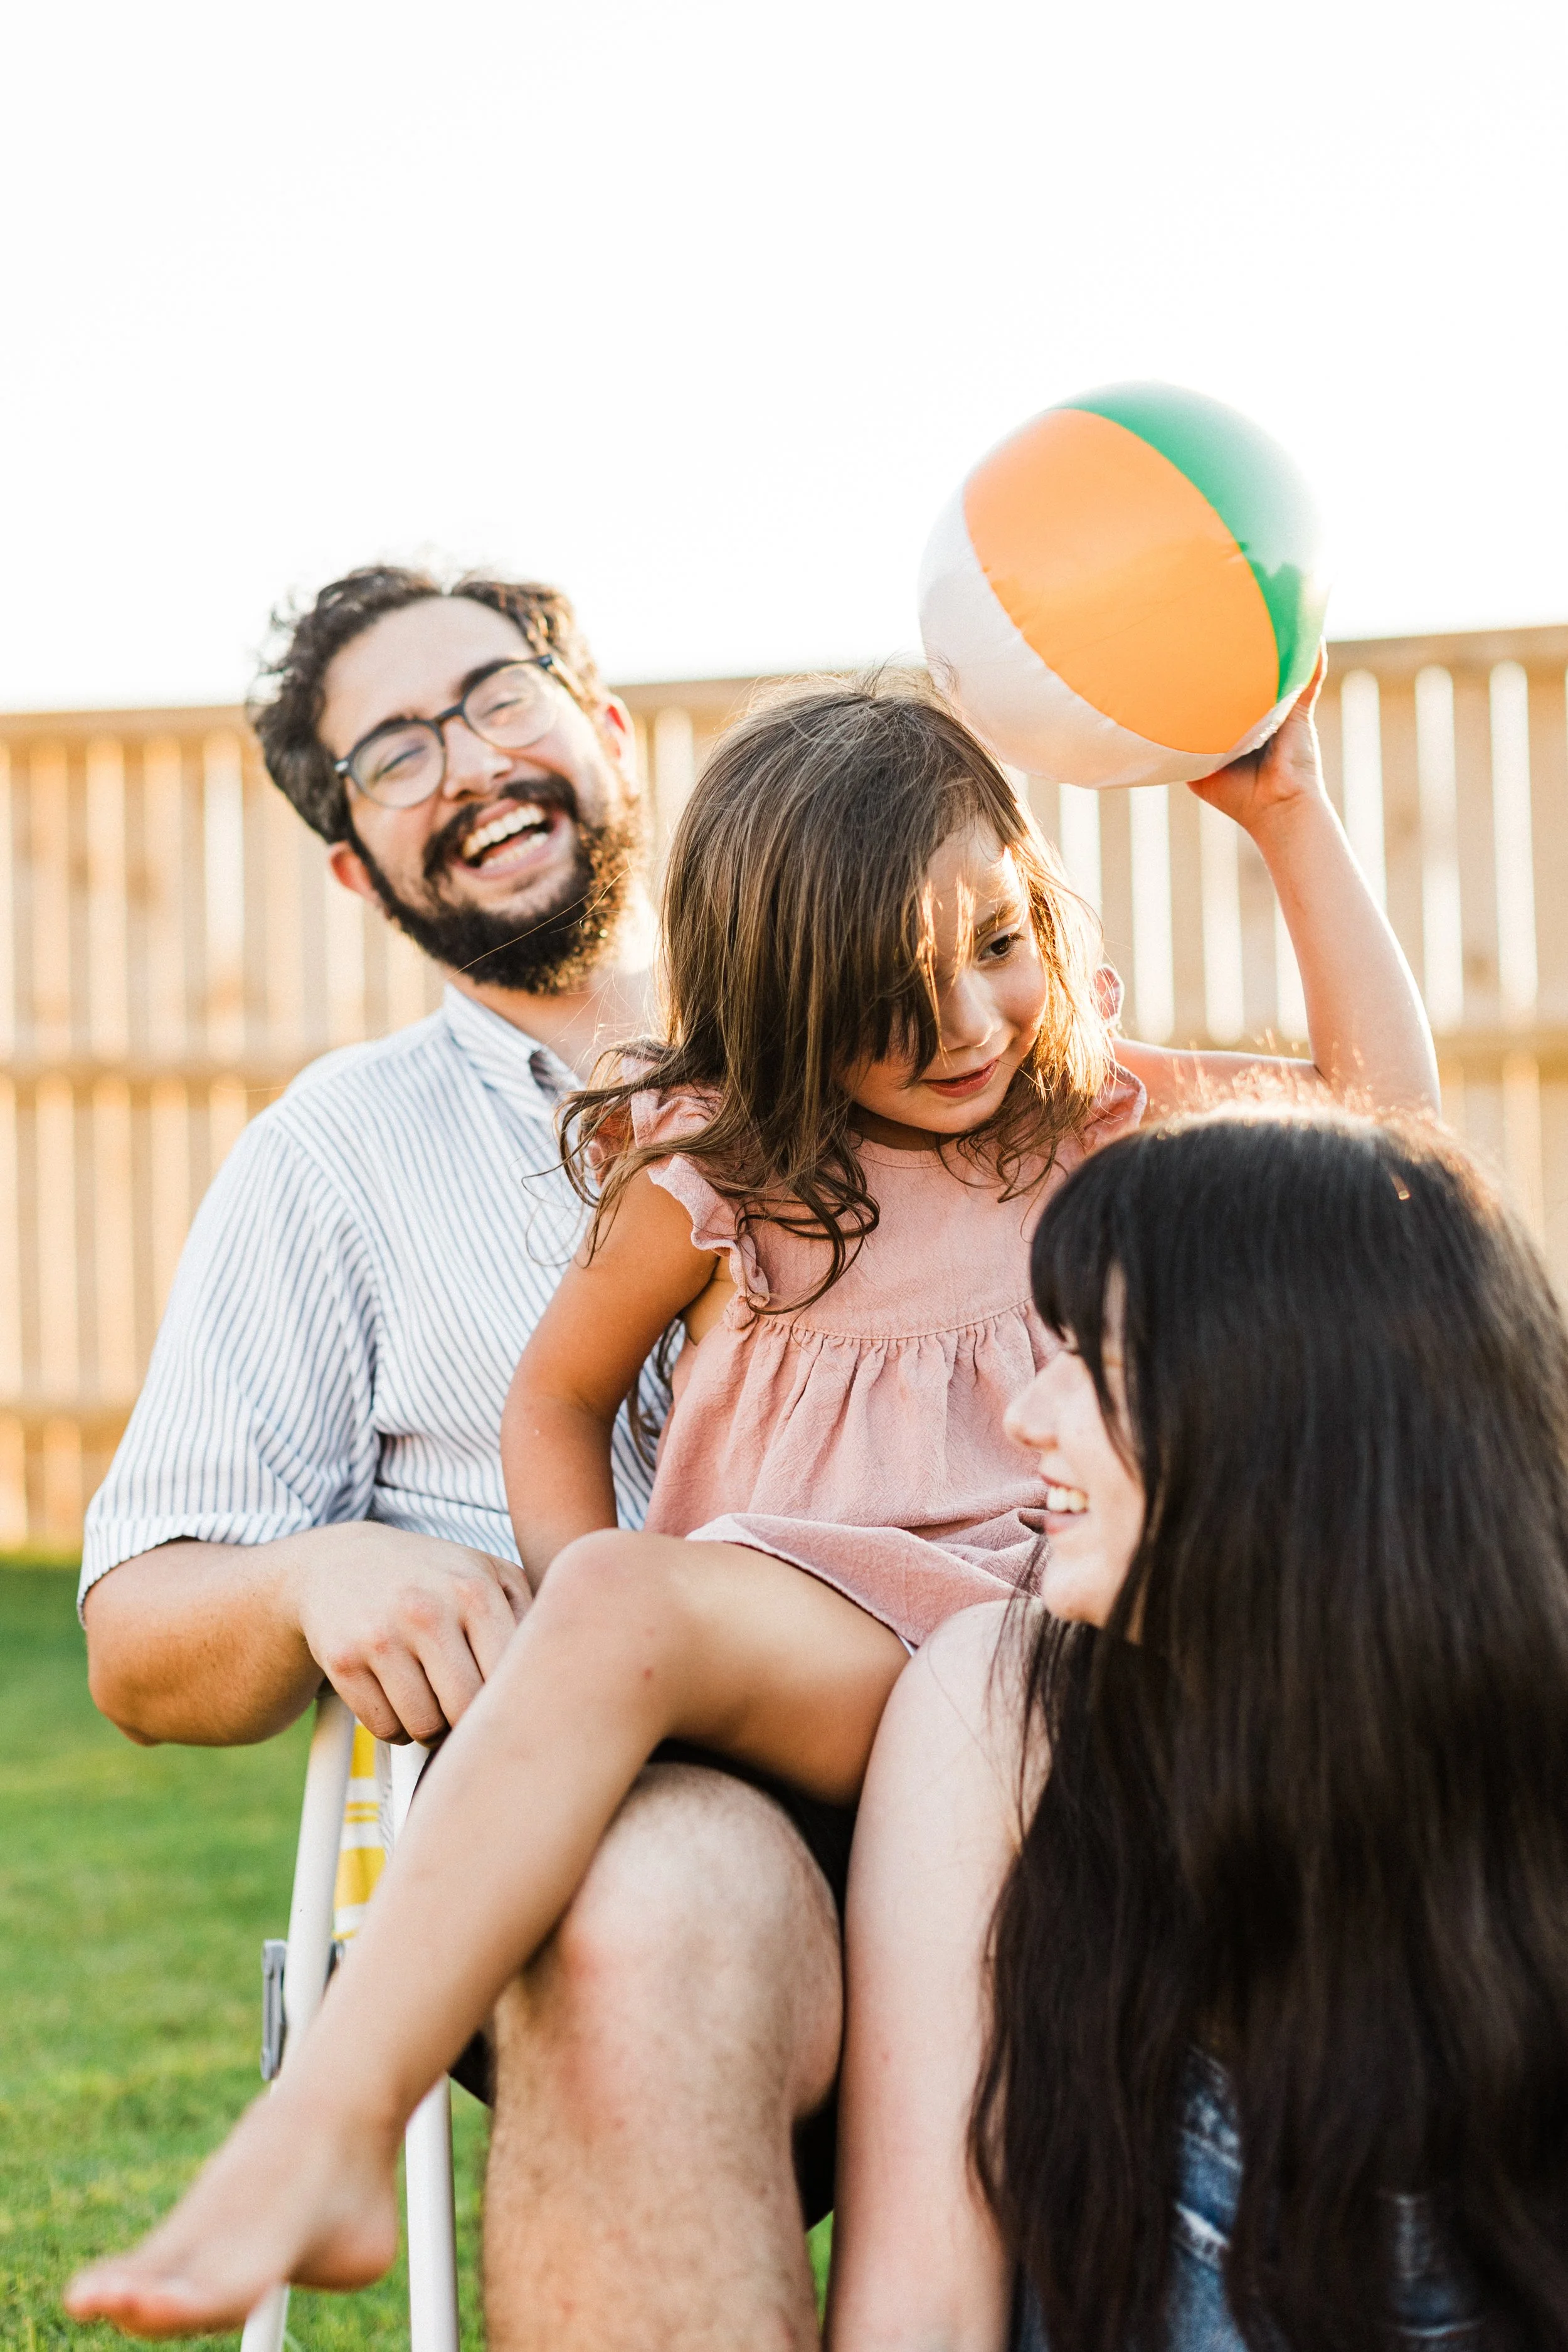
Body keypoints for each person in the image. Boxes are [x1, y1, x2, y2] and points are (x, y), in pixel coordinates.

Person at [68, 658, 1440, 2338]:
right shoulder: (723, 1159)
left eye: (995, 946)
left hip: (1058, 1652)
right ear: (777, 1003)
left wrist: (1289, 814)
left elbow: (1398, 1154)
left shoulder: (1112, 1112)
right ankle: (333, 2112)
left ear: (1041, 906)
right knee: (628, 1598)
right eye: (884, 998)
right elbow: (557, 1394)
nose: (964, 1026)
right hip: (827, 1642)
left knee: (912, 1700)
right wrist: (587, 1588)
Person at [76, 565, 866, 2351]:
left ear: (606, 732)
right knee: (649, 1899)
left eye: (501, 699)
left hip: (925, 1731)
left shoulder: (869, 1030)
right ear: (355, 863)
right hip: (599, 1817)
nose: (469, 764)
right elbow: (134, 1636)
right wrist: (306, 1568)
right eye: (397, 752)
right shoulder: (331, 1158)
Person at [827, 1109, 1568, 2352]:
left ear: (1288, 1409)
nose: (1022, 1416)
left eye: (1097, 1359)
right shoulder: (999, 1721)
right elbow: (918, 2319)